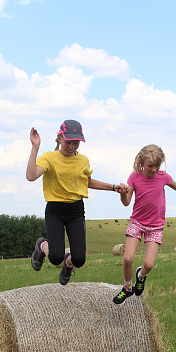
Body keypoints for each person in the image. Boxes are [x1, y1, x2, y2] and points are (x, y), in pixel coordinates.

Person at [26, 119, 127, 285]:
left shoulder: (83, 161)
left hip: (75, 211)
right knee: (55, 256)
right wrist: (35, 147)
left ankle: (68, 263)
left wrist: (113, 187)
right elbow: (31, 176)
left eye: (76, 143)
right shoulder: (49, 158)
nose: (72, 147)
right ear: (59, 138)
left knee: (79, 259)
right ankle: (42, 245)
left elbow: (87, 182)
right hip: (55, 211)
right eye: (69, 142)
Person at [113, 144, 176, 304]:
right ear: (141, 162)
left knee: (149, 264)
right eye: (150, 166)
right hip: (137, 223)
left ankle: (140, 276)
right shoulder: (134, 177)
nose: (153, 169)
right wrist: (122, 194)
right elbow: (126, 203)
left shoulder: (164, 177)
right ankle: (127, 288)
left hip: (155, 226)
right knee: (127, 258)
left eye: (157, 166)